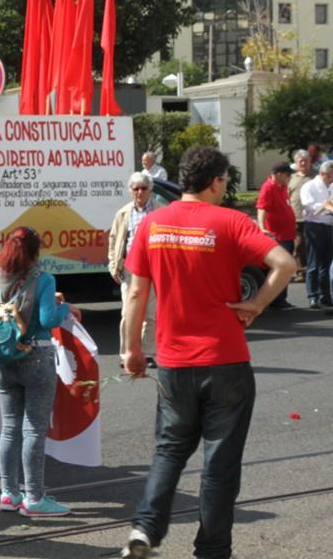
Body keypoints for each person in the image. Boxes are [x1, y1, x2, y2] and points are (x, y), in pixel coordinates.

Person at [120, 147, 295, 559]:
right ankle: (212, 551)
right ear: (216, 182)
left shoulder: (153, 224)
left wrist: (131, 350)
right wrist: (257, 304)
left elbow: (135, 296)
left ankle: (145, 529)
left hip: (174, 362)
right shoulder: (230, 221)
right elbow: (285, 264)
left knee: (169, 451)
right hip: (226, 360)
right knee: (220, 464)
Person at [0, 227, 79, 518]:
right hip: (36, 356)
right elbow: (48, 319)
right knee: (34, 429)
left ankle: (8, 493)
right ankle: (35, 498)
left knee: (10, 427)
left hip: (4, 355)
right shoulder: (43, 279)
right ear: (36, 251)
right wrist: (66, 308)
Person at [108, 172, 157, 369]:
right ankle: (126, 353)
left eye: (143, 188)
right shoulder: (123, 213)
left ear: (150, 190)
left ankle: (148, 353)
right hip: (130, 269)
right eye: (135, 188)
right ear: (130, 191)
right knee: (128, 313)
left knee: (151, 314)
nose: (139, 192)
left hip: (153, 269)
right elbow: (113, 239)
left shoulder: (160, 211)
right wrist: (113, 264)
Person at [256, 162, 296, 309]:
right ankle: (277, 301)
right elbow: (261, 208)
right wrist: (262, 228)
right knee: (281, 267)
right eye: (287, 175)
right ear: (278, 174)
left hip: (287, 234)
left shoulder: (282, 186)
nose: (289, 177)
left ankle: (280, 299)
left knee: (286, 267)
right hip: (278, 235)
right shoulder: (268, 187)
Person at [299, 159, 333, 309]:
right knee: (314, 262)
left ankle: (325, 296)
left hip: (329, 226)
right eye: (331, 176)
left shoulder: (331, 186)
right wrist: (326, 206)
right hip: (315, 226)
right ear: (323, 174)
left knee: (327, 263)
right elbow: (309, 206)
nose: (332, 179)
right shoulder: (309, 186)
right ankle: (313, 296)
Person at [288, 149, 314, 282]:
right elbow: (286, 197)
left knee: (314, 245)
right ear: (296, 163)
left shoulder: (315, 177)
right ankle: (301, 272)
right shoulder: (291, 178)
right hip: (296, 218)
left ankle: (315, 270)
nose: (303, 163)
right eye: (301, 161)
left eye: (306, 161)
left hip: (314, 218)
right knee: (298, 246)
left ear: (310, 162)